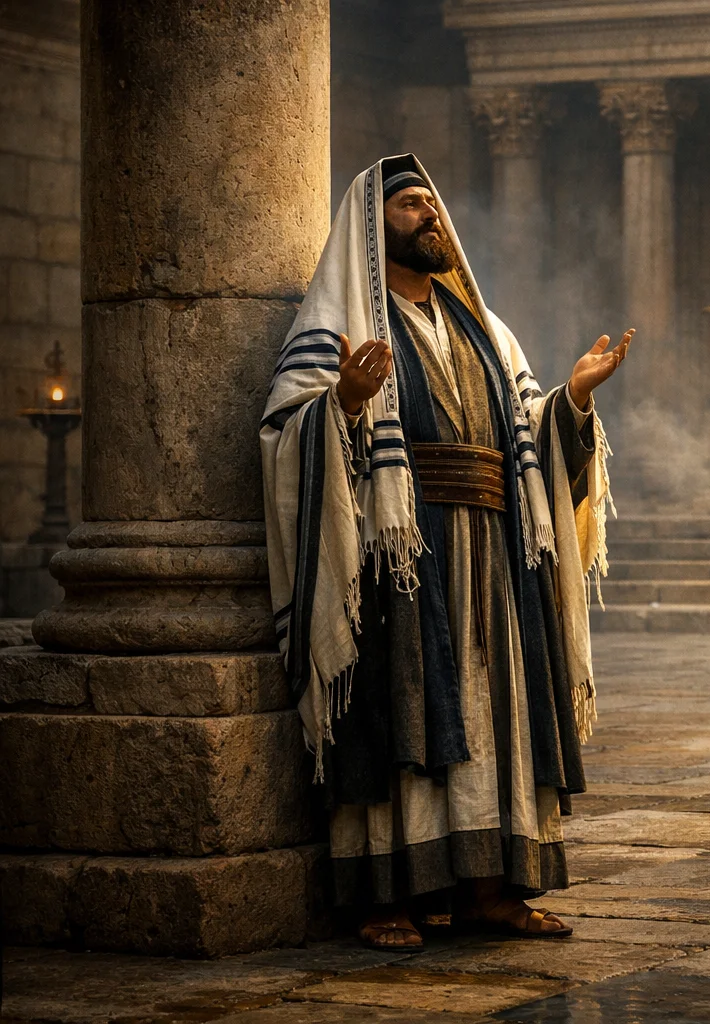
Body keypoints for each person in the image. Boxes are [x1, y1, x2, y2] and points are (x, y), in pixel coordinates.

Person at [261, 155, 627, 948]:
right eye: (409, 205)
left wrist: (572, 400)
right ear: (371, 226)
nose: (429, 215)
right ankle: (387, 897)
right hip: (398, 555)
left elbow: (528, 438)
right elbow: (287, 432)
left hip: (494, 557)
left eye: (432, 203)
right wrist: (344, 402)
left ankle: (488, 892)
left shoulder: (488, 332)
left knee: (498, 717)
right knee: (401, 713)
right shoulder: (340, 325)